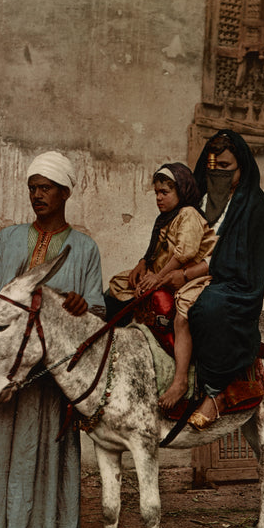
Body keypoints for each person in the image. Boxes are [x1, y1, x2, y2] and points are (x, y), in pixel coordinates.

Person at [0, 150, 106, 528]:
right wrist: (3, 337)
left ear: (65, 192)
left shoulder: (85, 249)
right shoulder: (7, 241)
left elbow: (96, 309)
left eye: (46, 188)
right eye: (32, 188)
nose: (37, 195)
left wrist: (82, 307)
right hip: (7, 370)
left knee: (47, 462)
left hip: (49, 381)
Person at [106, 163, 217, 410]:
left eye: (164, 192)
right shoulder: (164, 219)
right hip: (164, 272)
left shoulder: (188, 213)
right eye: (156, 192)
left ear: (182, 192)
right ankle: (110, 350)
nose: (158, 197)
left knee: (182, 316)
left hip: (192, 276)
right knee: (118, 285)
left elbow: (183, 252)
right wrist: (142, 265)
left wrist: (158, 278)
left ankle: (180, 381)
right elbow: (156, 251)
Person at [184, 129, 264, 430]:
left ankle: (215, 393)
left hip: (236, 283)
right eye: (213, 167)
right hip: (192, 271)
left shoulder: (253, 203)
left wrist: (189, 273)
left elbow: (240, 260)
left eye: (225, 167)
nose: (217, 173)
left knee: (210, 308)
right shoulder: (202, 196)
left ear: (241, 167)